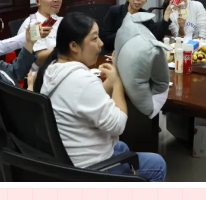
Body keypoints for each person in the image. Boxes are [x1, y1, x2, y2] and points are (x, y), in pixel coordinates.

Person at [38, 13, 167, 182]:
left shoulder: (53, 69)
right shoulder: (82, 80)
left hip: (68, 157)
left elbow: (84, 101)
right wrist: (118, 83)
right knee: (158, 164)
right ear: (74, 46)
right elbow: (118, 125)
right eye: (94, 39)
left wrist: (110, 83)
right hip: (88, 169)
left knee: (122, 146)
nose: (101, 43)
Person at [100, 0, 172, 54]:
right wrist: (126, 32)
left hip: (136, 54)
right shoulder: (115, 11)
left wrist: (166, 17)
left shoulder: (145, 15)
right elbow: (105, 39)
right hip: (114, 54)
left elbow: (155, 36)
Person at [17, 0, 63, 69]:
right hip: (44, 73)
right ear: (38, 1)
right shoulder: (32, 24)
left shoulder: (62, 20)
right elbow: (39, 59)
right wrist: (66, 49)